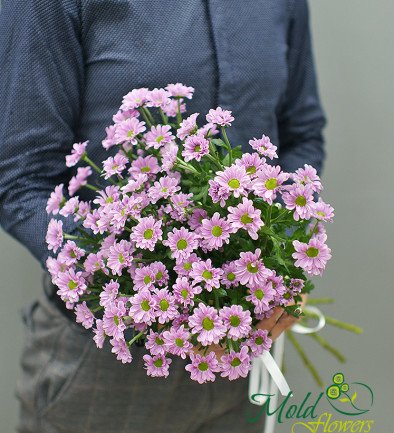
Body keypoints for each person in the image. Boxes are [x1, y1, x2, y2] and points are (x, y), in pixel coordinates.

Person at [0, 1, 326, 432]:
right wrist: (133, 290)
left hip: (239, 359)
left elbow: (301, 134)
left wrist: (280, 265)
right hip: (107, 365)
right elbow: (20, 176)